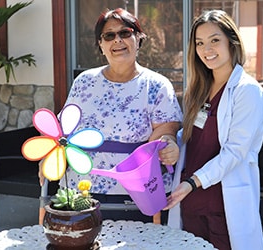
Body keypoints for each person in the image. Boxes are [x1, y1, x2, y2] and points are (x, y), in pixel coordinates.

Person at [39, 8, 182, 224]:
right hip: (81, 190)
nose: (118, 40)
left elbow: (165, 133)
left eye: (125, 33)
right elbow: (63, 130)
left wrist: (169, 146)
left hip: (136, 193)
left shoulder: (157, 85)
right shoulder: (84, 81)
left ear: (138, 38)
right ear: (101, 44)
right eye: (109, 35)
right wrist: (49, 156)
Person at [163, 10, 263, 250]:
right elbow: (192, 138)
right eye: (200, 43)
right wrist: (170, 145)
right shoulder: (198, 89)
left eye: (214, 40)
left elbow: (235, 152)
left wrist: (192, 182)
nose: (206, 49)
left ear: (231, 41)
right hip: (190, 201)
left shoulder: (247, 90)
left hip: (222, 204)